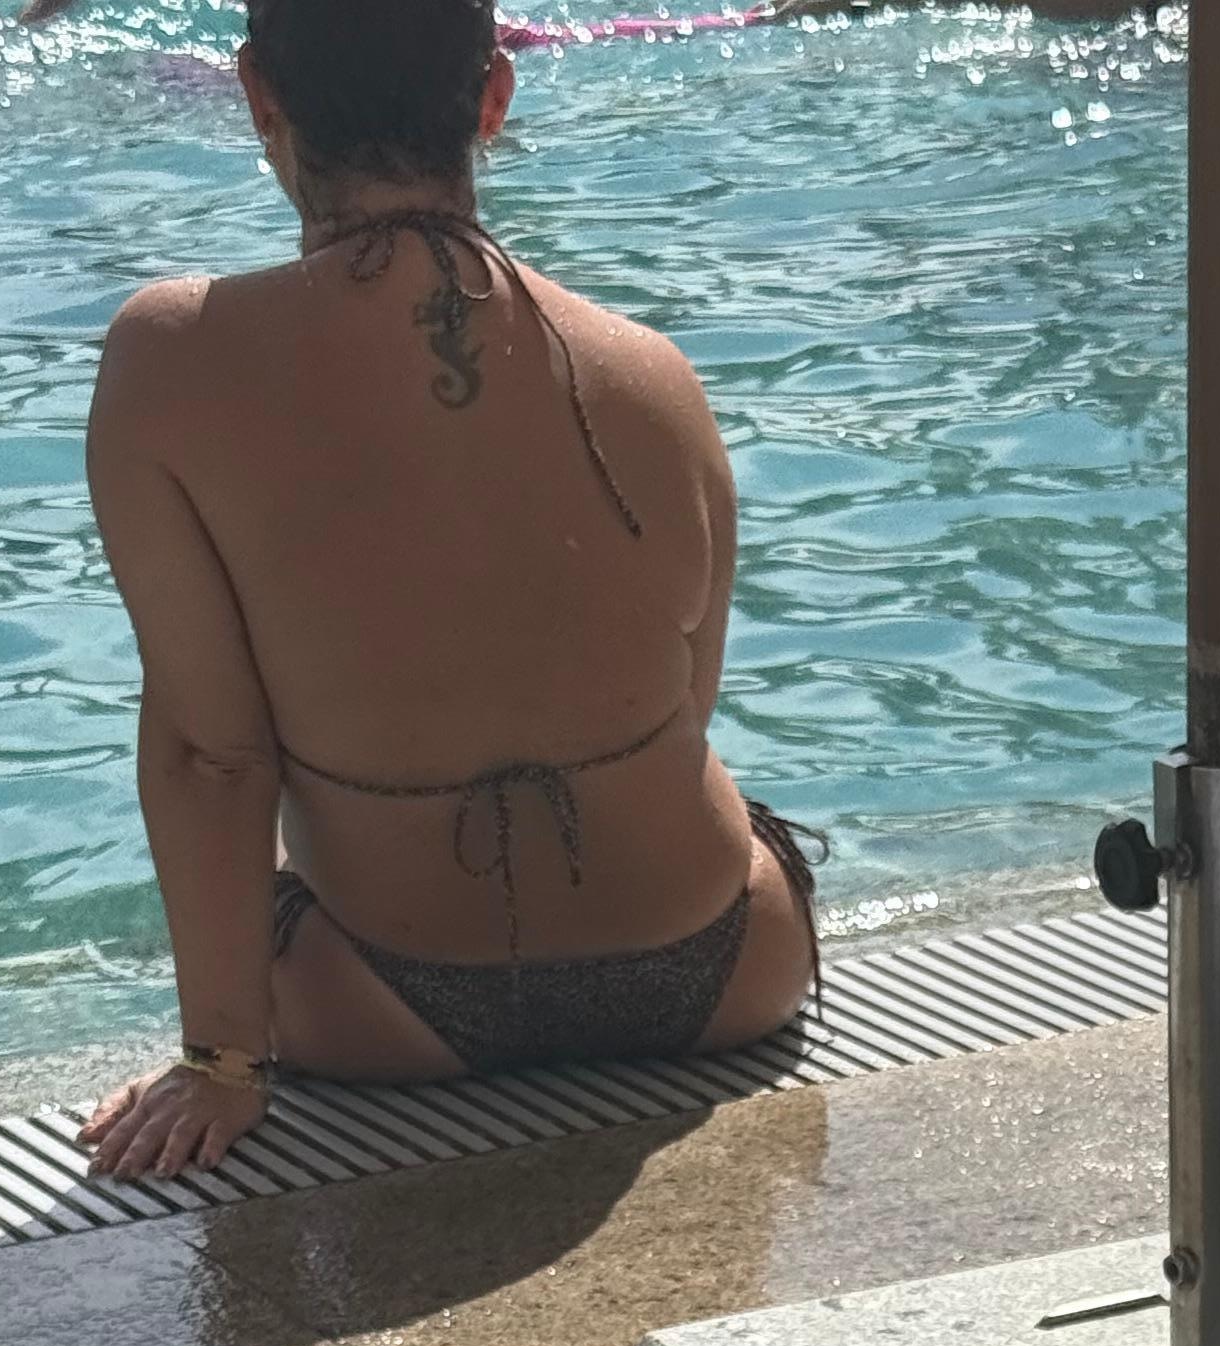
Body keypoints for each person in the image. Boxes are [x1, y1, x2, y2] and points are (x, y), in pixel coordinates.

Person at [76, 0, 817, 1183]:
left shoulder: (171, 357)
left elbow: (212, 758)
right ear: (493, 96)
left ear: (260, 95)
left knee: (248, 809)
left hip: (385, 1011)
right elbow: (691, 700)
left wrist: (223, 1059)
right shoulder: (652, 372)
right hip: (726, 970)